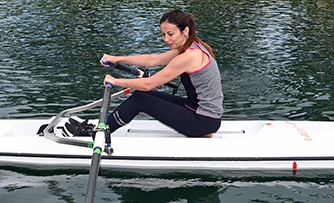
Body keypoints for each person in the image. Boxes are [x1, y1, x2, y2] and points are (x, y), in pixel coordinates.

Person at [72, 10, 223, 138]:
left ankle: (98, 133)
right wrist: (117, 58)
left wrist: (116, 81)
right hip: (198, 111)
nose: (166, 39)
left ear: (185, 31)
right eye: (163, 34)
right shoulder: (193, 45)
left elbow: (148, 84)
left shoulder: (188, 57)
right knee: (142, 96)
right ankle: (102, 126)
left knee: (140, 100)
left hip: (203, 120)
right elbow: (153, 60)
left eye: (170, 34)